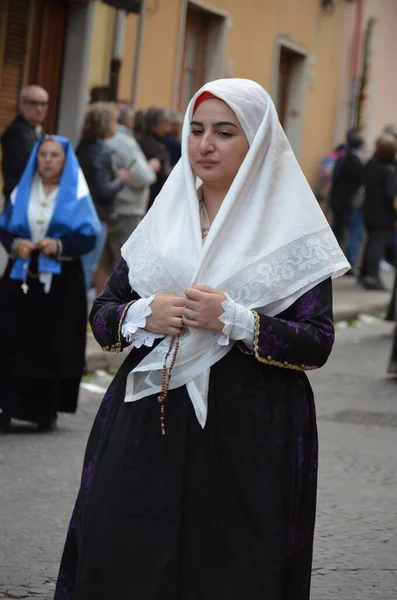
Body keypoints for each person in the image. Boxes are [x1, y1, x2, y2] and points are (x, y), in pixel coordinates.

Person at [54, 79, 349, 600]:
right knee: (126, 547)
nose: (204, 144)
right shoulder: (164, 224)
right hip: (149, 422)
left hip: (250, 431)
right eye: (196, 130)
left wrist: (234, 319)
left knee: (229, 560)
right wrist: (144, 313)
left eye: (224, 132)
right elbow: (103, 318)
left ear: (256, 142)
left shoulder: (293, 235)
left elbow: (316, 341)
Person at [0, 136, 100, 432]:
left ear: (65, 160)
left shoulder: (76, 194)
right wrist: (15, 243)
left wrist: (58, 246)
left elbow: (87, 236)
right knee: (10, 339)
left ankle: (42, 410)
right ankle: (5, 405)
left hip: (60, 282)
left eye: (54, 155)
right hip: (20, 275)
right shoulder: (23, 190)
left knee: (49, 343)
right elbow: (5, 228)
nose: (47, 160)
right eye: (42, 154)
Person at [76, 102, 132, 294]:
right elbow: (104, 190)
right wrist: (121, 179)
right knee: (87, 268)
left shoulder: (84, 144)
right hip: (96, 215)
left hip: (85, 212)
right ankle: (78, 317)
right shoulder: (100, 150)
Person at [101, 103, 159, 274]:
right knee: (124, 264)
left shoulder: (103, 138)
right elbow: (142, 177)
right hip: (127, 210)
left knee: (103, 262)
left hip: (108, 208)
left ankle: (100, 299)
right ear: (127, 120)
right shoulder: (124, 141)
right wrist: (151, 167)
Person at [360, 134, 397, 290]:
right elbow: (392, 196)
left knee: (371, 242)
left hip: (368, 211)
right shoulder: (389, 171)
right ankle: (372, 278)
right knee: (377, 244)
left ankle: (364, 273)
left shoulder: (371, 165)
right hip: (383, 215)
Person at [1, 85, 48, 203]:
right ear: (21, 104)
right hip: (20, 195)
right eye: (34, 103)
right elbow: (37, 162)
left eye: (43, 104)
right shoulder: (18, 131)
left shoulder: (37, 129)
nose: (39, 109)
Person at [330, 129, 365, 266]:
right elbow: (361, 179)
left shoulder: (341, 157)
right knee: (351, 232)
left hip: (337, 200)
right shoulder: (354, 161)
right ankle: (345, 260)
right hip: (348, 202)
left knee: (338, 229)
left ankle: (334, 257)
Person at [136, 106, 171, 209]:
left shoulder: (137, 141)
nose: (167, 128)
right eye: (165, 123)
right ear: (158, 124)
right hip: (152, 200)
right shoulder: (157, 147)